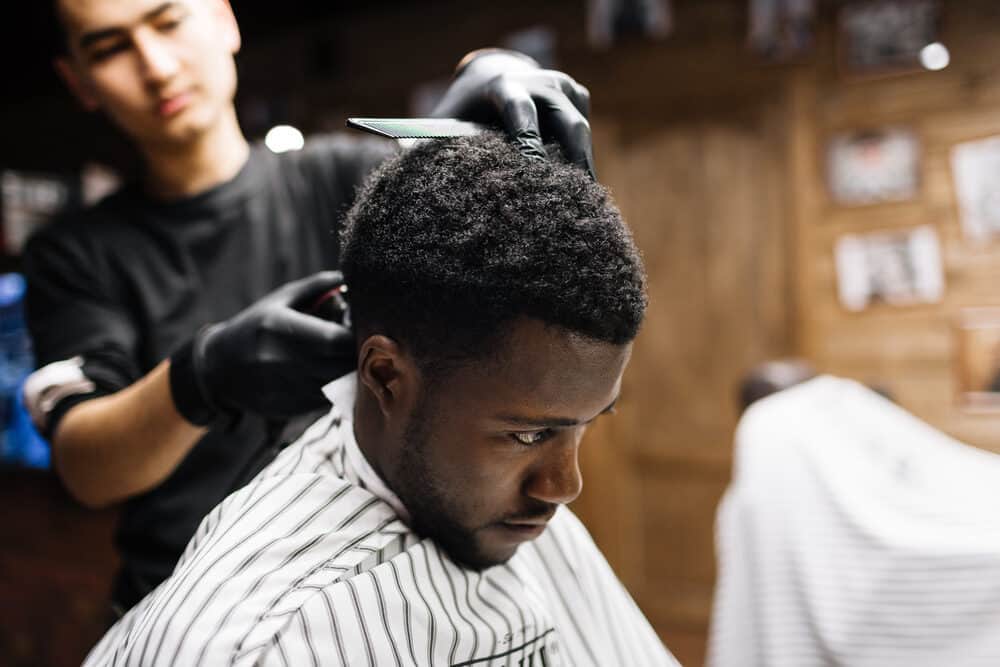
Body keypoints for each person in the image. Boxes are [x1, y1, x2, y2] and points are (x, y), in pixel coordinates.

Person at [24, 0, 596, 615]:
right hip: (184, 611)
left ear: (224, 19)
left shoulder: (347, 178)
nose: (156, 66)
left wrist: (498, 93)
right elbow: (86, 467)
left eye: (168, 22)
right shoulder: (76, 255)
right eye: (110, 49)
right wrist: (203, 375)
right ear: (78, 81)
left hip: (375, 596)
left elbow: (515, 262)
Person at [82, 132, 677, 666]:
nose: (564, 487)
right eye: (528, 434)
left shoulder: (511, 512)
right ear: (387, 376)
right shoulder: (266, 639)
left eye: (587, 425)